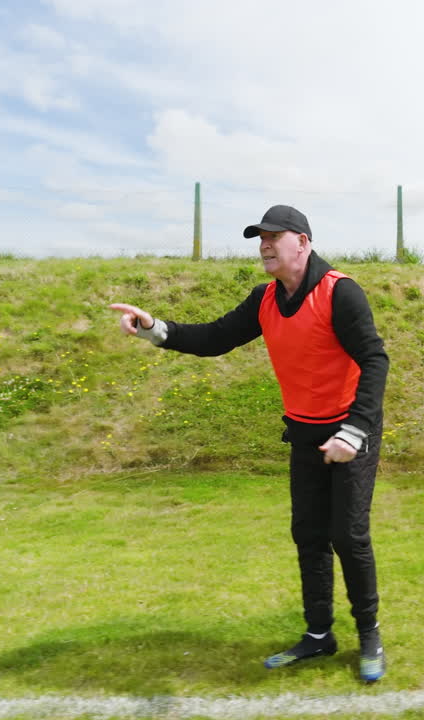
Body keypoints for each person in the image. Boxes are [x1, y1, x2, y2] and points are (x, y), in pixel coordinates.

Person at [108, 205, 390, 682]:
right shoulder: (264, 299)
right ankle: (319, 634)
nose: (263, 245)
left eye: (273, 237)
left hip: (349, 431)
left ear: (302, 242)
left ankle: (370, 633)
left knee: (349, 535)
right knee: (309, 534)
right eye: (259, 237)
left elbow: (374, 359)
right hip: (305, 432)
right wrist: (155, 329)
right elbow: (216, 337)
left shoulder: (339, 292)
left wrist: (354, 431)